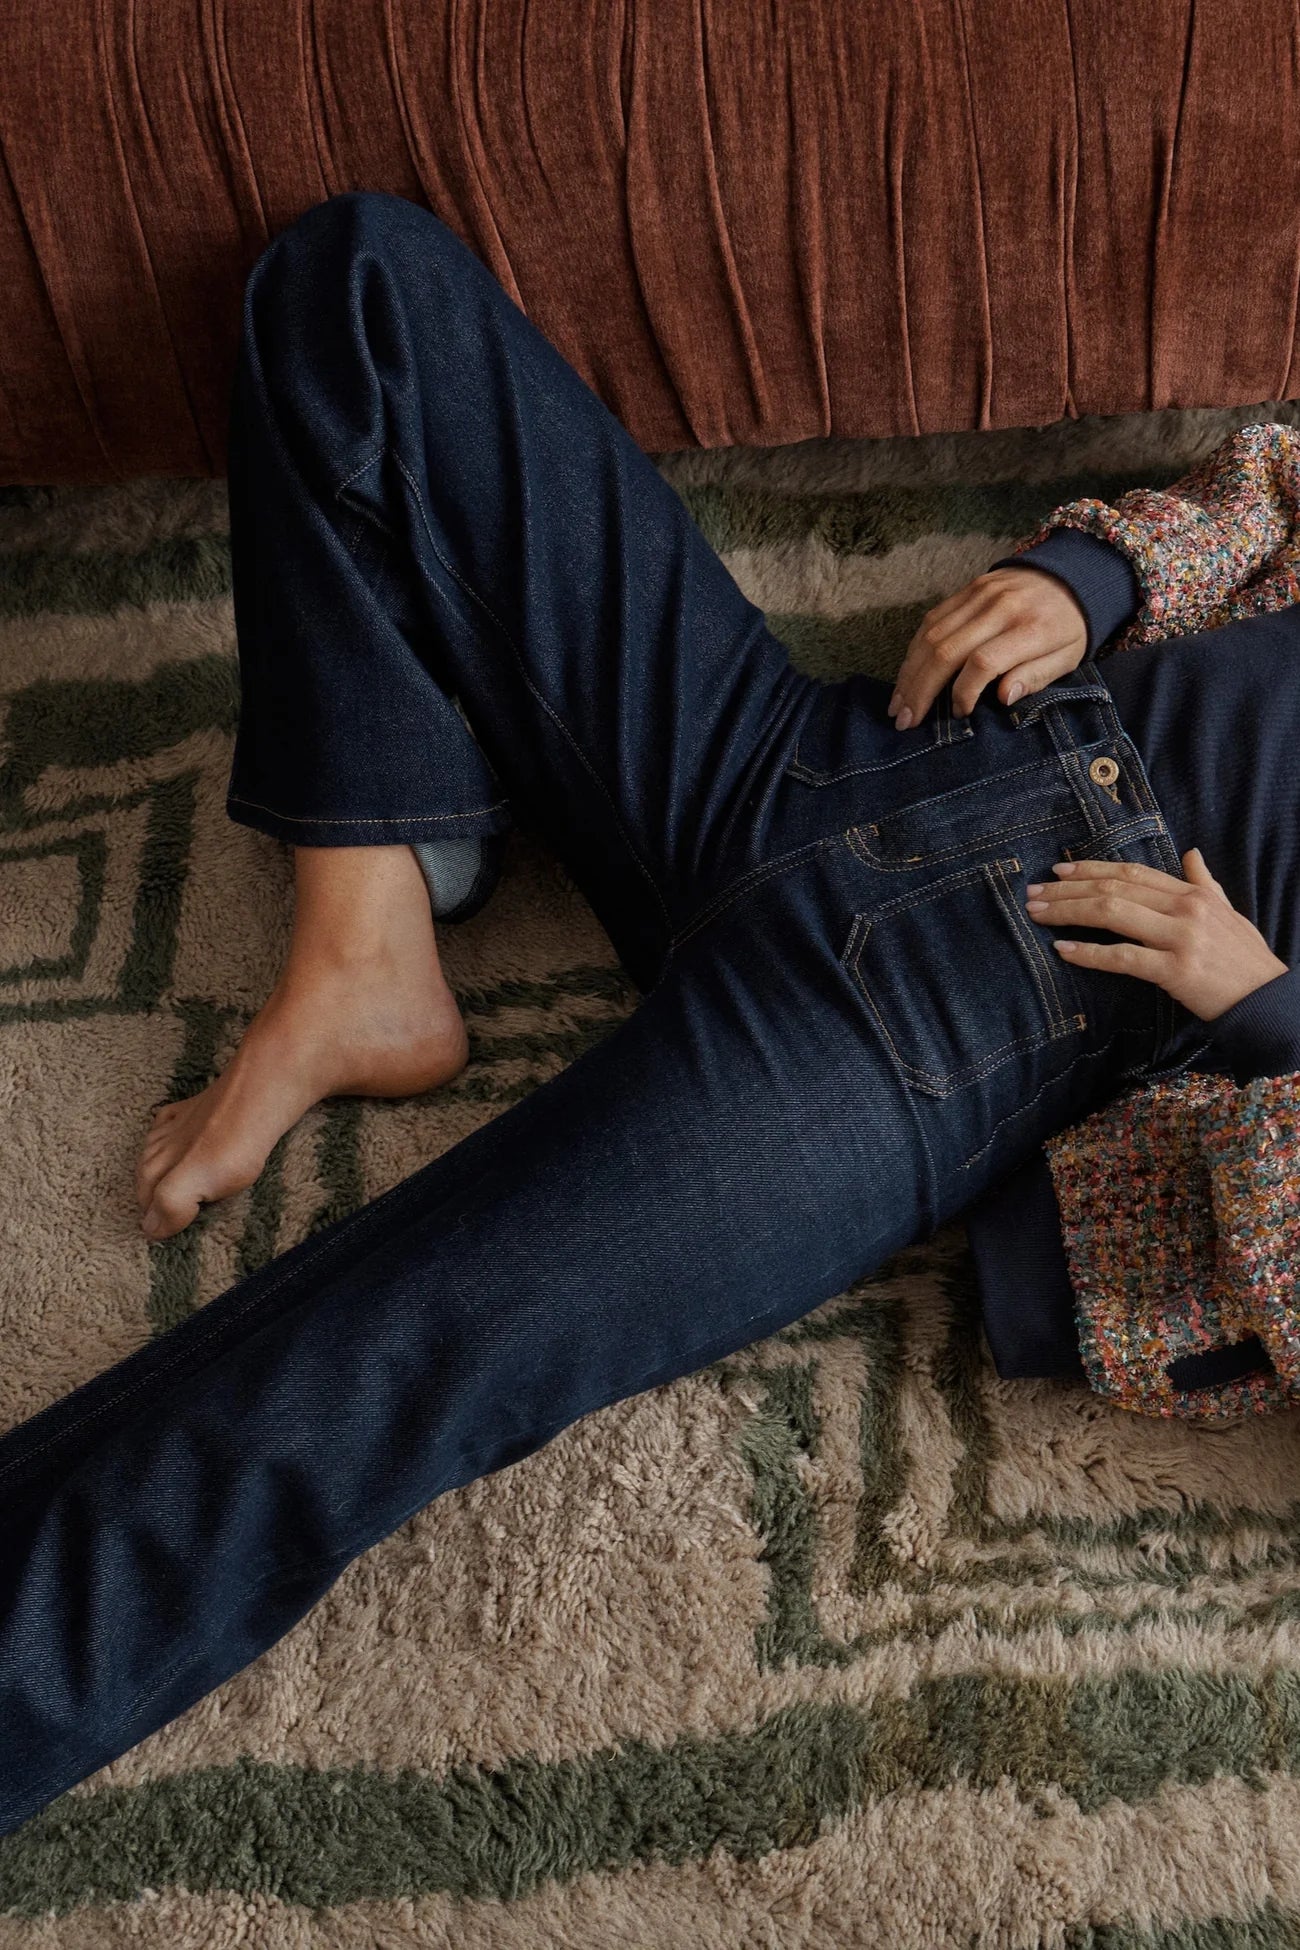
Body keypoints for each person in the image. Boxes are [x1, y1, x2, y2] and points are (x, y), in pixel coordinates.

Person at [0, 189, 1287, 1837]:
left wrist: (1271, 1011)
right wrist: (1091, 574)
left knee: (382, 1367)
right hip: (866, 747)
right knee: (359, 292)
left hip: (951, 1025)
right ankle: (362, 940)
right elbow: (1276, 484)